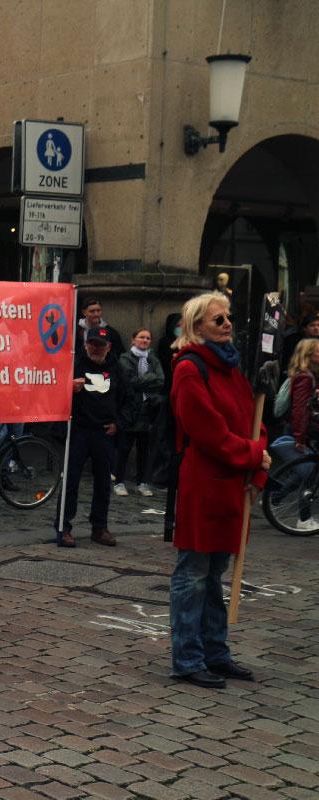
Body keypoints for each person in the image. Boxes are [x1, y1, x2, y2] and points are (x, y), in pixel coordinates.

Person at [169, 291, 268, 689]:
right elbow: (208, 432)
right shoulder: (189, 369)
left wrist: (257, 458)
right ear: (197, 328)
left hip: (231, 485)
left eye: (227, 317)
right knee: (193, 573)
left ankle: (215, 652)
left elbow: (253, 419)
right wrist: (253, 454)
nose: (227, 324)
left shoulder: (233, 369)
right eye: (217, 320)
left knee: (213, 576)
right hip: (204, 484)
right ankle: (187, 657)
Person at [56, 326, 123, 547]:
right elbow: (53, 391)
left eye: (100, 345)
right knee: (71, 481)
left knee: (103, 482)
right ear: (86, 345)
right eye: (92, 344)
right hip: (79, 431)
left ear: (108, 347)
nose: (96, 348)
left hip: (104, 432)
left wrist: (118, 423)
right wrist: (67, 389)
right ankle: (64, 526)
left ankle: (100, 526)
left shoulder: (117, 368)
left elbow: (128, 399)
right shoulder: (75, 365)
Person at [114, 329, 165, 497]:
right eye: (141, 337)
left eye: (148, 338)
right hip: (129, 409)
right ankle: (119, 481)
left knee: (145, 449)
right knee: (124, 448)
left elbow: (160, 380)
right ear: (133, 340)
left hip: (147, 410)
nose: (145, 340)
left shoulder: (153, 359)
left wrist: (143, 382)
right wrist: (149, 379)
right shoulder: (125, 358)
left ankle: (142, 482)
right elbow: (129, 381)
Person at [75, 298, 123, 367]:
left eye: (98, 311)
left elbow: (118, 353)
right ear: (84, 312)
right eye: (92, 311)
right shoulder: (75, 331)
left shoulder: (111, 333)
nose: (96, 314)